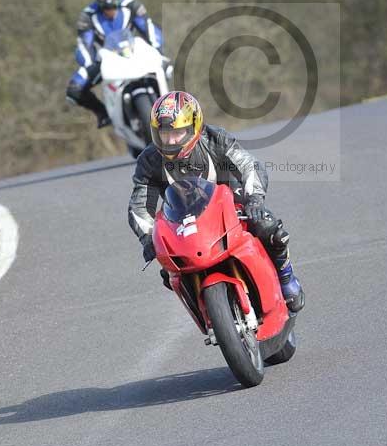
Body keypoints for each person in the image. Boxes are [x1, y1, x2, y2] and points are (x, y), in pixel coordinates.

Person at [127, 90, 305, 312]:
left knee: (268, 227)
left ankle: (286, 276)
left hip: (232, 206)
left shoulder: (216, 139)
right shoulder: (149, 161)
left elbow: (249, 166)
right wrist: (148, 239)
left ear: (194, 128)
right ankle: (205, 311)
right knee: (169, 271)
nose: (171, 140)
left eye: (178, 133)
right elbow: (139, 206)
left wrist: (255, 199)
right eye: (164, 133)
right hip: (182, 222)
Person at [66, 0, 171, 127]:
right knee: (74, 90)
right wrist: (90, 64)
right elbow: (84, 44)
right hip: (107, 61)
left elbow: (150, 29)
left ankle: (170, 108)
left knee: (167, 67)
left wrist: (158, 52)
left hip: (134, 54)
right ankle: (103, 114)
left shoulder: (131, 6)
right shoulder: (87, 15)